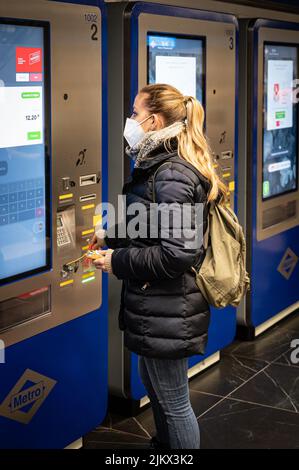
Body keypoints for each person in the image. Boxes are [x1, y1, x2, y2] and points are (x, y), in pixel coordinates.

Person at [91, 83, 227, 449]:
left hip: (170, 307)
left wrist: (116, 261)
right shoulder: (158, 166)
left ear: (154, 120)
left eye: (135, 113)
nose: (130, 120)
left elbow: (176, 253)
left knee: (174, 403)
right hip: (161, 307)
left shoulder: (171, 173)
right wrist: (110, 236)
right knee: (160, 393)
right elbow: (151, 224)